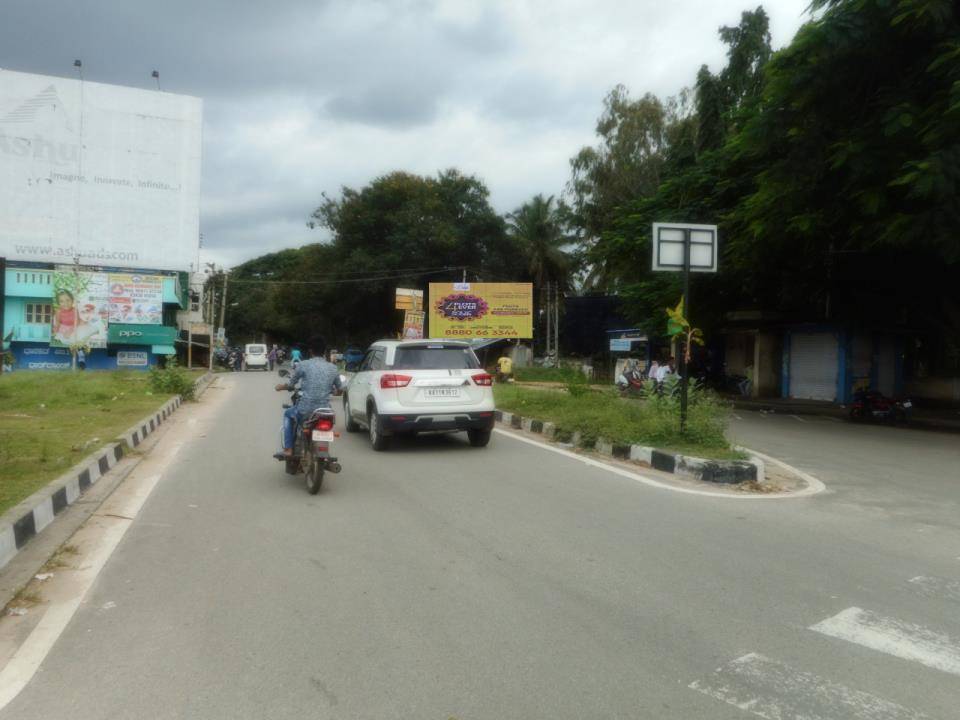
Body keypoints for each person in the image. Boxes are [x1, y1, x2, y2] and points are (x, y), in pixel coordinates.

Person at [274, 338, 342, 459]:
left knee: (288, 414)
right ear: (325, 351)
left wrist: (281, 387)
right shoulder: (333, 368)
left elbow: (291, 384)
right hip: (325, 411)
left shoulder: (303, 365)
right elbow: (340, 389)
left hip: (306, 409)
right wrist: (335, 391)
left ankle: (288, 449)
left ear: (310, 351)